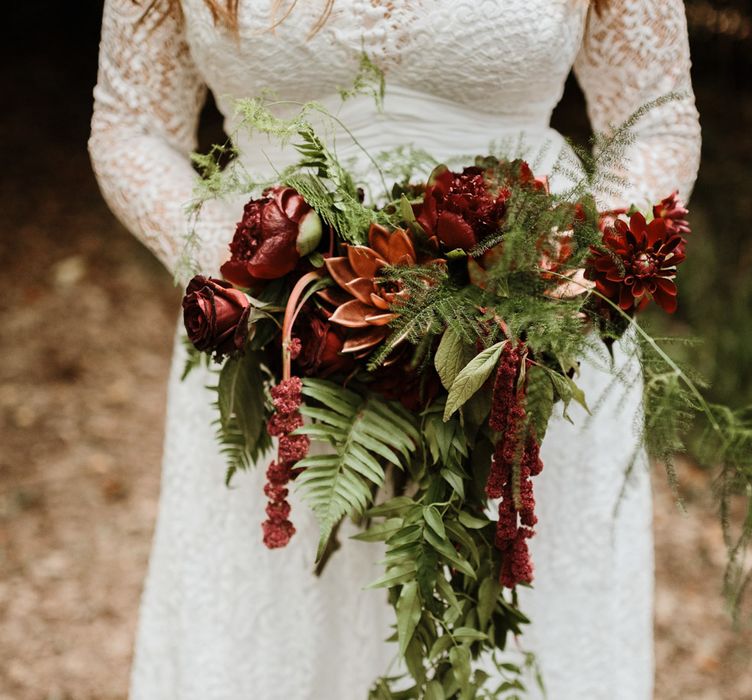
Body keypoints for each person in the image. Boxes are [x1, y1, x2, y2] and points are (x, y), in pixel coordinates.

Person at [89, 1, 701, 698]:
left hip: (523, 349)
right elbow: (131, 126)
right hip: (279, 356)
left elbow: (657, 118)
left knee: (513, 640)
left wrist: (566, 283)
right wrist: (253, 270)